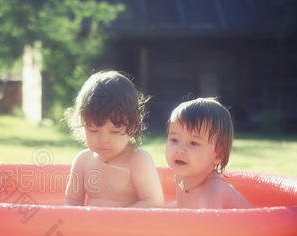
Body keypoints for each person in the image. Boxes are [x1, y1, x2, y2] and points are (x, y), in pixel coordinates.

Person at [64, 70, 164, 207]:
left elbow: (154, 202)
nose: (104, 139)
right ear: (83, 126)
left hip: (126, 227)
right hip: (90, 227)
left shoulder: (137, 160)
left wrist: (116, 221)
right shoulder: (83, 161)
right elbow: (72, 202)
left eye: (115, 131)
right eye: (93, 130)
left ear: (133, 127)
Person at [165, 98, 252, 209]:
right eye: (174, 140)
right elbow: (182, 208)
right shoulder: (182, 179)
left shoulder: (212, 191)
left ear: (218, 154)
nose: (180, 149)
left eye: (193, 143)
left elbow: (204, 225)